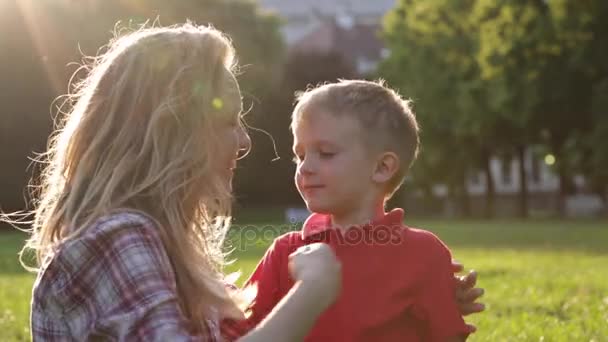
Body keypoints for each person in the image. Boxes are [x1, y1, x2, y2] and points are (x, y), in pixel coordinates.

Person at [13, 23, 343, 341]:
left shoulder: (159, 247)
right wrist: (311, 292)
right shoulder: (119, 238)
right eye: (228, 122)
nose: (244, 142)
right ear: (171, 133)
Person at [222, 80, 484, 341]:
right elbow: (238, 331)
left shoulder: (424, 253)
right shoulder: (286, 254)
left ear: (382, 167)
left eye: (325, 153)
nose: (305, 168)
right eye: (300, 155)